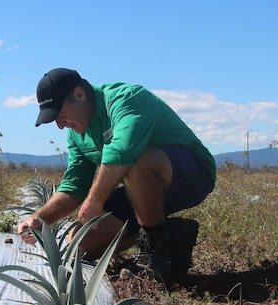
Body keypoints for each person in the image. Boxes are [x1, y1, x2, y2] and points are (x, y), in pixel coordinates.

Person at [18, 68, 216, 281]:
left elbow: (123, 149)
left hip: (191, 175)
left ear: (79, 94)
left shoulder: (126, 99)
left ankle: (156, 257)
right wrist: (40, 219)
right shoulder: (77, 134)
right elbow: (74, 185)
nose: (60, 125)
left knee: (136, 158)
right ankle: (173, 235)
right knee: (81, 244)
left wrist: (94, 202)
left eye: (60, 114)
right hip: (141, 190)